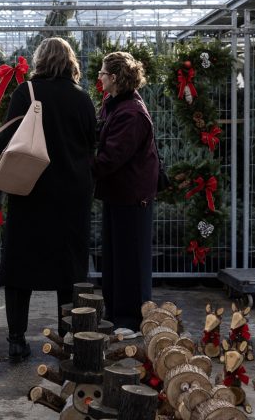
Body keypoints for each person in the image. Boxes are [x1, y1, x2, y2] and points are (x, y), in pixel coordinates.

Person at [0, 38, 96, 362]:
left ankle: (16, 340)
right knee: (69, 269)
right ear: (70, 61)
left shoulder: (25, 93)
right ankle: (68, 339)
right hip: (72, 196)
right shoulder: (82, 98)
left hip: (30, 191)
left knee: (20, 267)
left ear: (40, 60)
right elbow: (92, 144)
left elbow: (5, 142)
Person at [92, 51, 158, 332]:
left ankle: (130, 319)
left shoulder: (131, 113)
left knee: (129, 259)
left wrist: (79, 165)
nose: (99, 77)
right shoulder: (116, 104)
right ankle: (116, 312)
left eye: (103, 73)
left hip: (131, 195)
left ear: (115, 77)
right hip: (119, 193)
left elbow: (111, 158)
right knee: (116, 257)